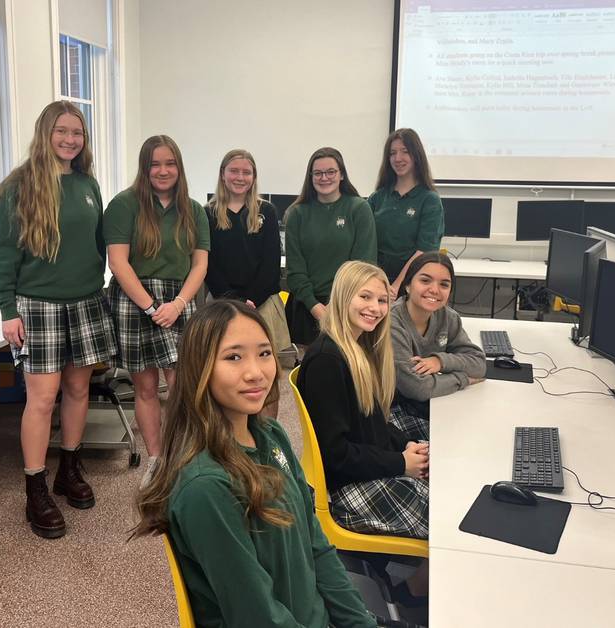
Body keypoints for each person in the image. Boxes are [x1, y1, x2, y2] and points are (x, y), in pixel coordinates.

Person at [132, 300, 376, 628]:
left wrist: (360, 622)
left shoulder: (270, 433)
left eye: (264, 353)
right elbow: (258, 616)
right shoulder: (206, 486)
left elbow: (314, 543)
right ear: (199, 368)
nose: (256, 372)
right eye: (233, 357)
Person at [0, 100, 117, 539]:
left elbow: (99, 244)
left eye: (77, 132)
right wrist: (7, 309)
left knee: (79, 389)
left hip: (85, 300)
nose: (69, 139)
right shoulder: (18, 187)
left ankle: (70, 468)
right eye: (62, 130)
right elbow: (1, 255)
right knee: (42, 400)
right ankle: (35, 487)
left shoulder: (87, 183)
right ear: (46, 133)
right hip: (37, 306)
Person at [297, 261, 429, 604]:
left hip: (366, 469)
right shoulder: (328, 360)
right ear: (343, 297)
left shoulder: (358, 348)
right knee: (447, 518)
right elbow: (337, 455)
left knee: (446, 480)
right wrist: (400, 463)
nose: (375, 308)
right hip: (346, 490)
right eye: (365, 297)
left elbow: (373, 421)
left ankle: (417, 585)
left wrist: (409, 446)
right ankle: (414, 591)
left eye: (382, 300)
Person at [103, 135, 209, 488]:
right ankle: (156, 460)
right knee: (145, 387)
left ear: (179, 167)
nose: (163, 171)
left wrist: (177, 305)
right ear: (144, 167)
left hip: (181, 299)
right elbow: (118, 263)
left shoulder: (193, 210)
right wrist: (150, 306)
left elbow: (200, 265)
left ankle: (185, 457)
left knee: (183, 385)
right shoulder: (124, 204)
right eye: (155, 164)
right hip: (136, 301)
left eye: (170, 163)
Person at [204, 149, 288, 417]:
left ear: (254, 177)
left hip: (263, 302)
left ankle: (267, 432)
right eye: (234, 171)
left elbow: (271, 263)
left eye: (246, 172)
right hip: (221, 302)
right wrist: (233, 301)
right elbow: (209, 264)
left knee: (265, 372)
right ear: (223, 174)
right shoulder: (207, 213)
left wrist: (251, 300)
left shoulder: (266, 211)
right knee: (223, 369)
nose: (240, 177)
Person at [285, 147, 377, 346]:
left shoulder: (359, 208)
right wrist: (316, 308)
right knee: (308, 372)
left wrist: (338, 307)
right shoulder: (296, 214)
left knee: (348, 369)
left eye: (331, 172)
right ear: (310, 177)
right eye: (317, 173)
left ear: (342, 174)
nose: (324, 178)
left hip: (349, 306)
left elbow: (364, 265)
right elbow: (295, 270)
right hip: (308, 308)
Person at [390, 251, 486, 424]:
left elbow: (479, 365)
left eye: (444, 284)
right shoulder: (392, 322)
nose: (434, 290)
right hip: (394, 409)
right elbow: (416, 387)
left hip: (433, 402)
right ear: (408, 285)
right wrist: (463, 379)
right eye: (425, 280)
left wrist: (440, 361)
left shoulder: (448, 317)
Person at [368, 128, 444, 298]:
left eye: (405, 152)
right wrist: (376, 282)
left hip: (409, 286)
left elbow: (424, 251)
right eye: (392, 153)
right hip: (375, 282)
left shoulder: (429, 200)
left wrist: (396, 286)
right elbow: (365, 241)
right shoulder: (378, 197)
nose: (398, 158)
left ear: (416, 155)